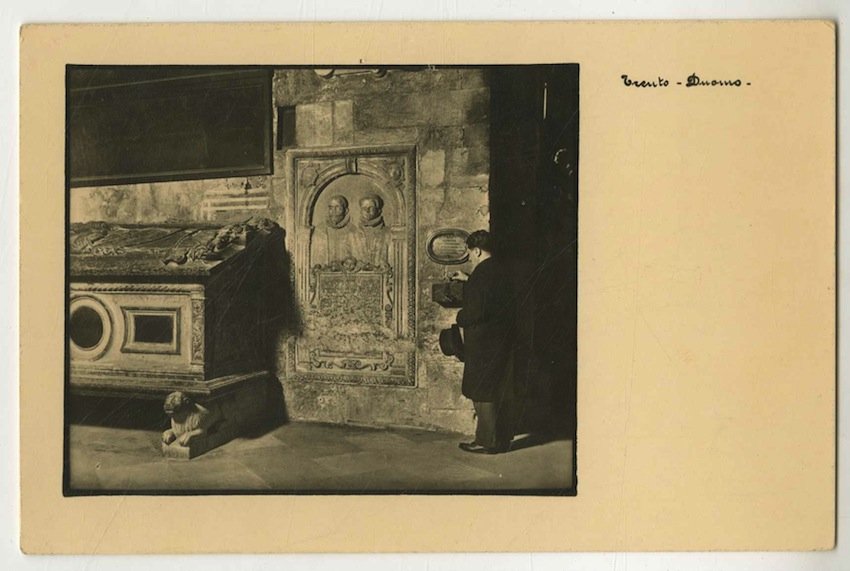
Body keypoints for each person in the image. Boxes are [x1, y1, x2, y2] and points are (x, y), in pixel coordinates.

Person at [451, 230, 516, 454]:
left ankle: (486, 442)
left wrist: (459, 317)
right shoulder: (500, 269)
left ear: (477, 251)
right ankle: (502, 439)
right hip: (499, 339)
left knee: (482, 390)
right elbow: (491, 295)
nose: (470, 257)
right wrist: (469, 279)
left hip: (483, 342)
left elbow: (476, 311)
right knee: (496, 387)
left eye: (470, 253)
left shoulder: (481, 274)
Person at [311, 195, 354, 265]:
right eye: (331, 208)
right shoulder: (320, 230)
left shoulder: (353, 231)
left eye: (337, 207)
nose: (333, 211)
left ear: (346, 211)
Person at [352, 193, 390, 266]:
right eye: (364, 208)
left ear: (379, 210)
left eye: (371, 207)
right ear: (360, 211)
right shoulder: (353, 235)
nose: (367, 211)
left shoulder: (388, 233)